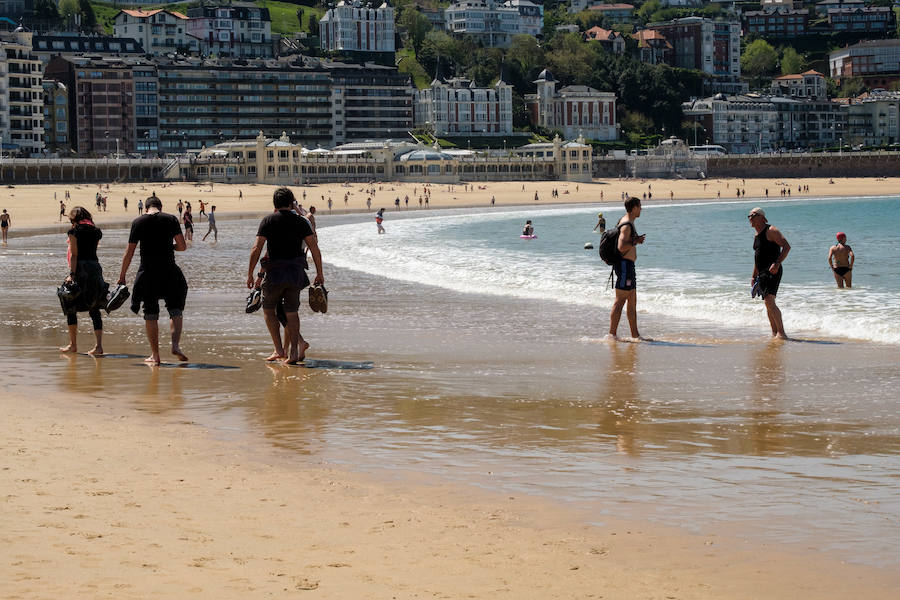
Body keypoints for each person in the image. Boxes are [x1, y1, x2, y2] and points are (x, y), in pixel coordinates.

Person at [247, 187, 324, 364]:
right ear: (291, 203)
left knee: (268, 309)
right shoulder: (302, 222)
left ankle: (279, 349)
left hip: (275, 274)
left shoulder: (268, 221)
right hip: (295, 274)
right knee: (292, 311)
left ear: (275, 204)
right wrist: (320, 273)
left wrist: (250, 274)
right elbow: (314, 248)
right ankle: (294, 353)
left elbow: (257, 248)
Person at [117, 196, 189, 364]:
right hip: (169, 270)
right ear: (160, 207)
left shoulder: (138, 222)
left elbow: (129, 252)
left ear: (146, 208)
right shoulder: (170, 219)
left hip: (148, 273)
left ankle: (155, 356)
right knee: (175, 309)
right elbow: (182, 246)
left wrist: (122, 276)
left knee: (150, 312)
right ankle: (175, 345)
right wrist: (170, 247)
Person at [59, 207, 107, 356]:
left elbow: (74, 255)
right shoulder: (96, 231)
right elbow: (92, 250)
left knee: (70, 304)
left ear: (74, 219)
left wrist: (72, 274)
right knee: (94, 307)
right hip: (95, 268)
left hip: (81, 269)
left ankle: (73, 345)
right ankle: (98, 346)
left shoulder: (74, 232)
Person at [749, 207, 791, 339]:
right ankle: (774, 332)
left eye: (753, 215)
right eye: (749, 216)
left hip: (773, 270)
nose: (750, 218)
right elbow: (757, 257)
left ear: (762, 217)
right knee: (767, 304)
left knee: (769, 301)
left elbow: (786, 246)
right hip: (762, 273)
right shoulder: (756, 235)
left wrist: (777, 263)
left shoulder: (771, 230)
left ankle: (782, 333)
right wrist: (753, 275)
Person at [608, 197, 646, 340]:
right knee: (620, 301)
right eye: (640, 206)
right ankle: (611, 335)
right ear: (634, 208)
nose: (641, 209)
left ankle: (635, 336)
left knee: (632, 300)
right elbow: (621, 246)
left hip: (628, 266)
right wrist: (636, 241)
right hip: (624, 266)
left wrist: (635, 240)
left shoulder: (627, 222)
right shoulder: (626, 225)